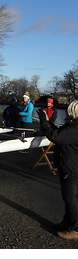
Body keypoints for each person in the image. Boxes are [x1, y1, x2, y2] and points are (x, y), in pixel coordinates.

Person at [38, 100, 78, 240]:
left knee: (71, 198)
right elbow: (60, 134)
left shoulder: (75, 127)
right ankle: (67, 223)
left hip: (72, 168)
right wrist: (51, 124)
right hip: (69, 165)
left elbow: (55, 137)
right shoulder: (72, 126)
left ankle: (75, 228)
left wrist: (44, 121)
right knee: (69, 198)